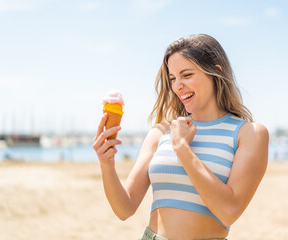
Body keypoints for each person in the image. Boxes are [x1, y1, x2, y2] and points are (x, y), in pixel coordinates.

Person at [93, 34, 269, 240]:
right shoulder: (160, 132)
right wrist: (107, 165)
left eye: (186, 75)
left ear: (215, 73)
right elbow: (125, 209)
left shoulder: (249, 134)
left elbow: (228, 212)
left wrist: (182, 148)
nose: (177, 86)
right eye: (173, 78)